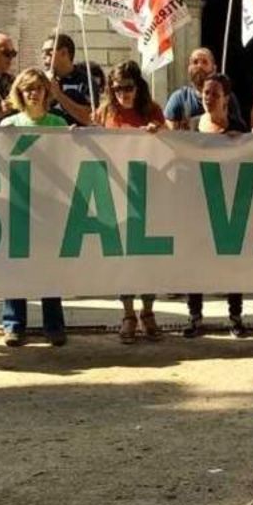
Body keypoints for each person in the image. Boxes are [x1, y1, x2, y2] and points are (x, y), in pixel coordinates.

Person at [0, 68, 71, 347]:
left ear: (46, 92)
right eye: (27, 88)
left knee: (49, 264)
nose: (33, 93)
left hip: (50, 204)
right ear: (19, 93)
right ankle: (13, 324)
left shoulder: (59, 124)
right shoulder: (8, 125)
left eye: (38, 88)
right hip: (17, 204)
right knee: (16, 265)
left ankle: (54, 325)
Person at [95, 61, 167, 343]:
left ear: (139, 87)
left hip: (150, 189)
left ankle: (148, 312)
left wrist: (158, 133)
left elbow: (170, 144)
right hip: (117, 190)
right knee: (123, 257)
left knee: (148, 257)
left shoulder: (153, 111)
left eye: (128, 88)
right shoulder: (105, 113)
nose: (123, 93)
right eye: (117, 89)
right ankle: (127, 314)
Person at [185, 72, 250, 338]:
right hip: (198, 204)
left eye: (214, 93)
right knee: (195, 262)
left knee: (231, 263)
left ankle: (235, 316)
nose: (208, 98)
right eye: (205, 93)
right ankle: (195, 317)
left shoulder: (239, 128)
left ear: (225, 99)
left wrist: (245, 142)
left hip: (230, 206)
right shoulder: (190, 127)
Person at [163, 47, 241, 130]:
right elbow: (167, 131)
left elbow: (237, 133)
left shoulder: (227, 97)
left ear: (214, 69)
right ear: (189, 68)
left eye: (204, 62)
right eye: (195, 62)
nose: (199, 66)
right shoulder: (179, 98)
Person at [40, 33, 103, 126]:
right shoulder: (40, 80)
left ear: (64, 53)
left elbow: (90, 119)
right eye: (43, 52)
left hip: (76, 138)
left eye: (49, 52)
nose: (43, 56)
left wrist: (59, 95)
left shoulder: (86, 82)